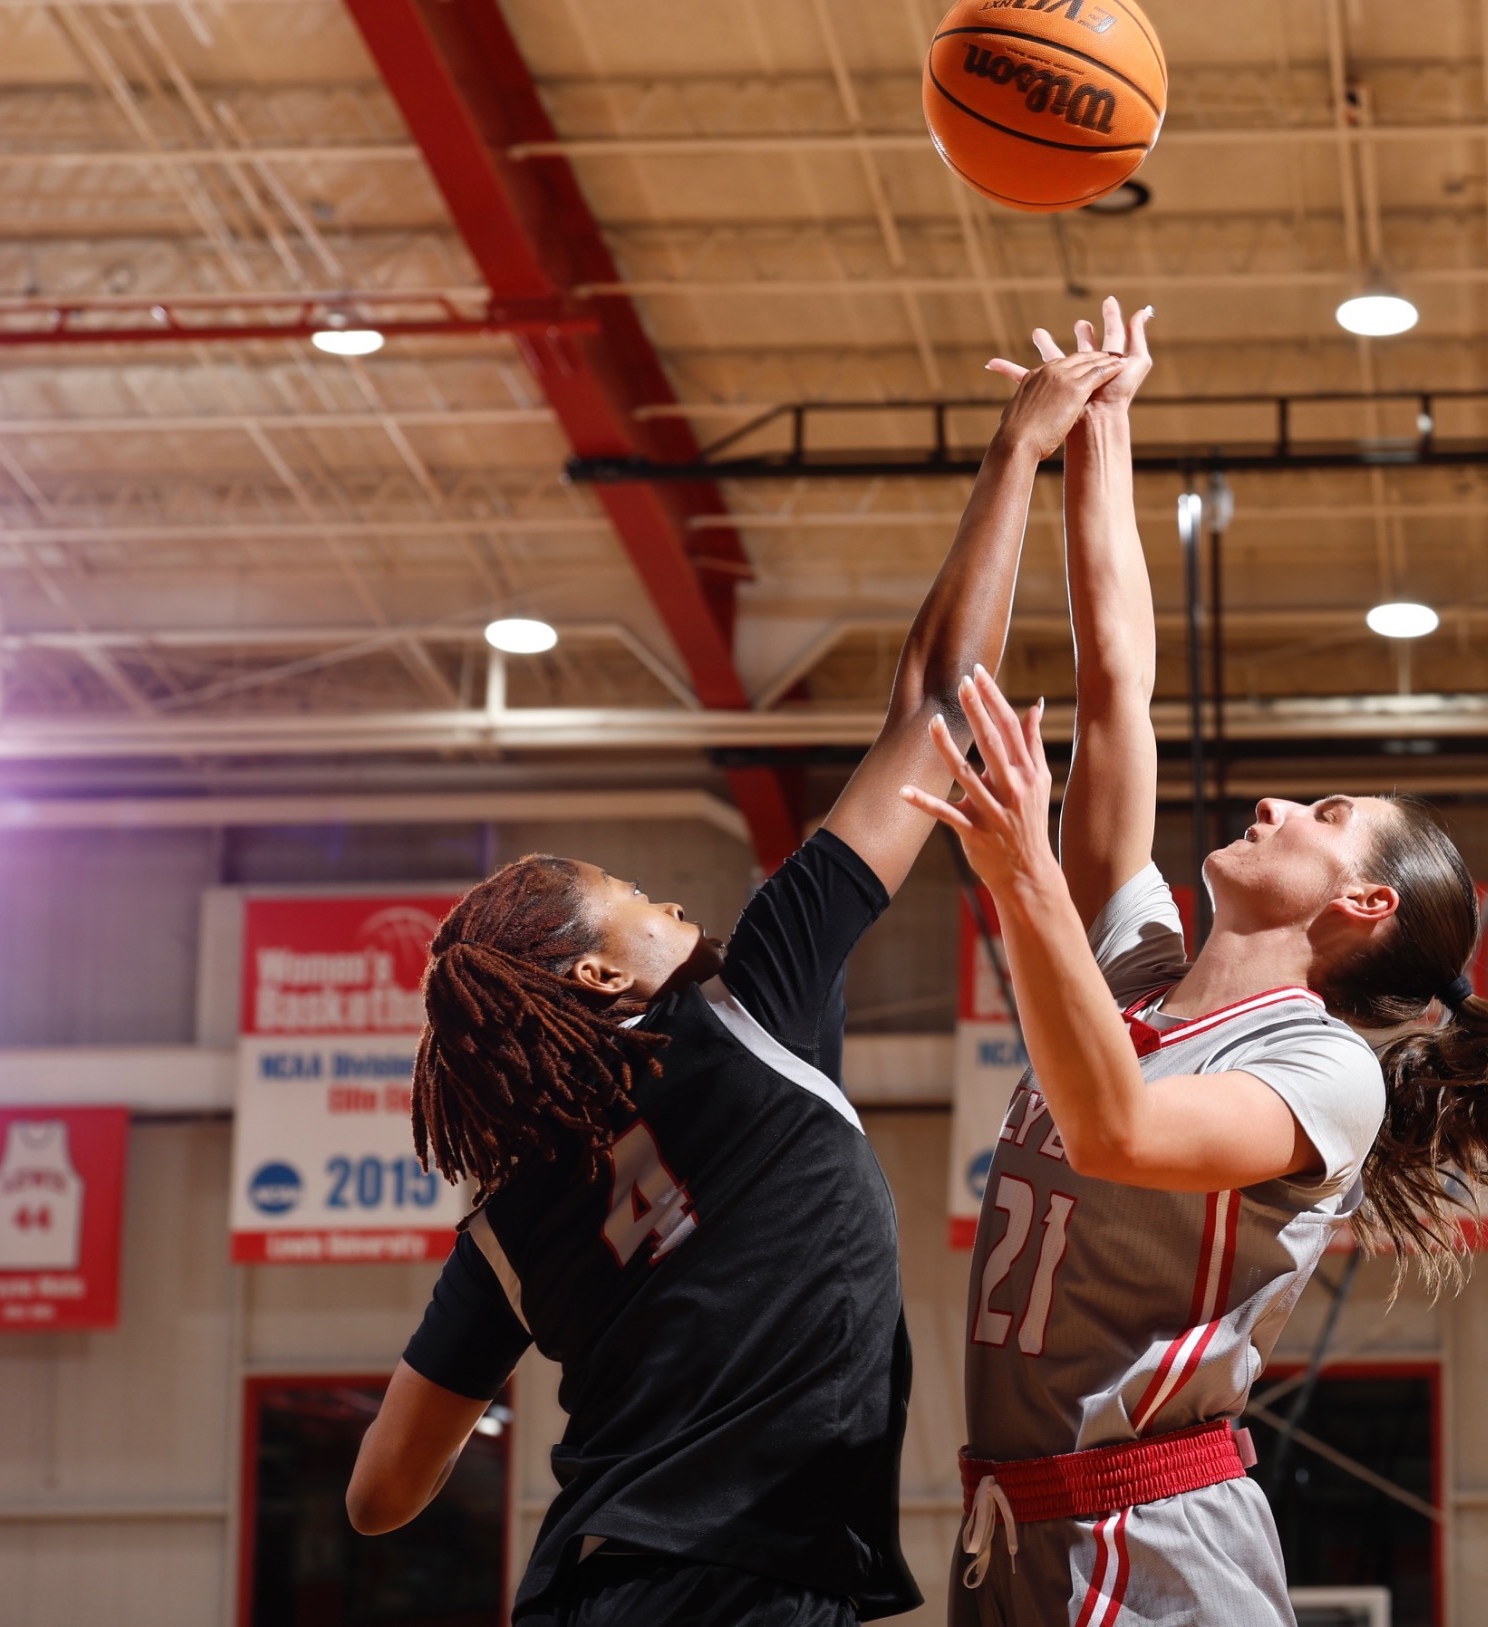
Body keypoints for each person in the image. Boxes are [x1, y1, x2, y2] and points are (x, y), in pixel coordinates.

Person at [343, 342, 1130, 1626]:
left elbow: (380, 1492)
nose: (673, 908)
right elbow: (937, 700)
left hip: (589, 1589)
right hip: (749, 1589)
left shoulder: (514, 1215)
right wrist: (1015, 452)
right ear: (602, 976)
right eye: (638, 903)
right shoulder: (741, 1010)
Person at [901, 299, 1488, 1626]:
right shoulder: (1135, 969)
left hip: (1154, 1540)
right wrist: (1105, 432)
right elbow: (1119, 683)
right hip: (1011, 1529)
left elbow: (1116, 1123)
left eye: (1326, 813)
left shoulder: (1323, 1068)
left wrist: (1025, 878)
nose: (1274, 805)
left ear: (1362, 899)